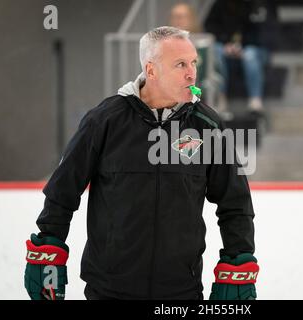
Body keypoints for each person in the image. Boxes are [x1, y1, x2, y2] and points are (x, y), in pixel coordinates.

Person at [24, 26, 259, 300]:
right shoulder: (104, 121)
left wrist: (237, 262)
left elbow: (235, 202)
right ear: (151, 70)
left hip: (181, 293)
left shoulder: (208, 126)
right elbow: (61, 193)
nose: (192, 73)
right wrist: (48, 250)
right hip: (108, 291)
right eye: (180, 64)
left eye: (194, 62)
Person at [204, 0, 279, 115]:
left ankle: (255, 100)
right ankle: (220, 98)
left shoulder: (263, 4)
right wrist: (226, 44)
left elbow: (267, 34)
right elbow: (210, 27)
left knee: (250, 55)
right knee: (216, 50)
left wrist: (243, 46)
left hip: (257, 49)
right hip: (228, 48)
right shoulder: (220, 4)